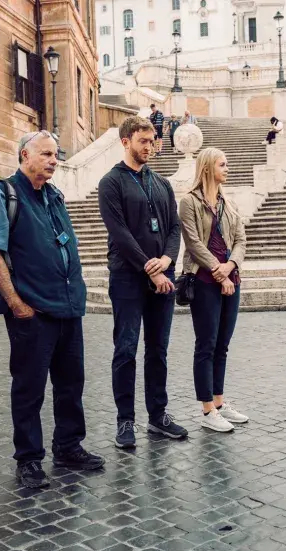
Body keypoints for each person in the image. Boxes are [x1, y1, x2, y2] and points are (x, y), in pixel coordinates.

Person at [0, 131, 104, 489]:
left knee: (70, 383)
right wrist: (17, 304)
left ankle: (68, 446)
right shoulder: (2, 194)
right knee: (29, 388)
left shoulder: (54, 195)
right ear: (24, 155)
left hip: (66, 307)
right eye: (46, 154)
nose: (54, 160)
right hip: (31, 310)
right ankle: (29, 459)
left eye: (56, 155)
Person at [98, 116, 187, 449]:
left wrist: (166, 261)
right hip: (127, 277)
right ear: (126, 141)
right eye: (143, 141)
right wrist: (151, 270)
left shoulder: (162, 183)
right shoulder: (111, 182)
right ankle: (125, 420)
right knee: (125, 349)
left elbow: (175, 229)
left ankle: (158, 415)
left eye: (152, 142)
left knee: (158, 350)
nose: (149, 147)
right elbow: (118, 233)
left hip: (163, 276)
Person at [179, 148, 249, 432]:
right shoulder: (189, 202)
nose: (228, 168)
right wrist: (220, 273)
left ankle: (219, 403)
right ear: (207, 167)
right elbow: (194, 243)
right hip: (206, 282)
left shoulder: (228, 203)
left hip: (231, 279)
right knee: (206, 345)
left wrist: (230, 266)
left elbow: (242, 240)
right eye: (223, 164)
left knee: (223, 345)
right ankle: (207, 409)